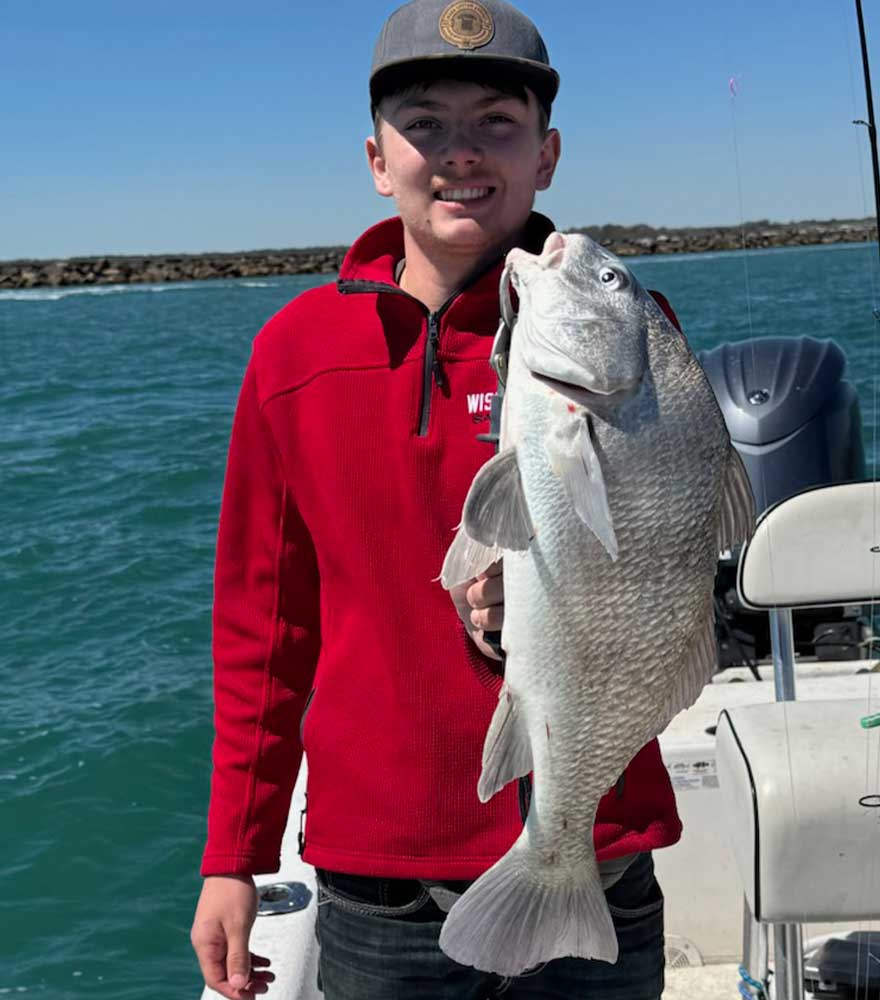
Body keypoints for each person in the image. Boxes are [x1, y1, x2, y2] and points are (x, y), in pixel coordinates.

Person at [190, 1, 685, 997]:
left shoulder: (628, 330)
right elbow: (264, 622)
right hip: (382, 880)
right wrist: (232, 854)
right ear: (377, 158)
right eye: (426, 124)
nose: (461, 153)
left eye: (496, 123)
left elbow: (678, 555)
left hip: (593, 844)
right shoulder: (293, 354)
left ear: (545, 155)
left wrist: (563, 586)